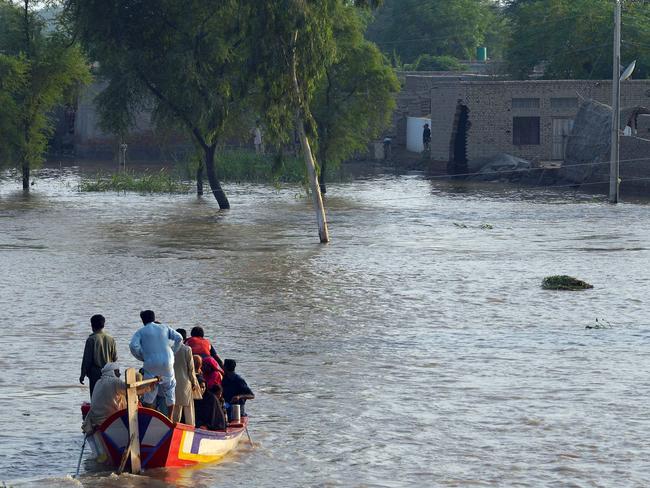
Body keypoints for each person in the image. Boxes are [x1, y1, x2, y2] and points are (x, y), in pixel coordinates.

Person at [129, 310, 183, 416]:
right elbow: (179, 338)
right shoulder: (164, 327)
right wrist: (173, 351)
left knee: (149, 391)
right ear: (154, 318)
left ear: (143, 320)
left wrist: (142, 356)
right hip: (168, 362)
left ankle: (149, 417)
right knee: (170, 388)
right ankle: (170, 418)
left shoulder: (141, 331)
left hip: (151, 364)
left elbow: (133, 346)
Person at [82, 362, 156, 434]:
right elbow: (132, 391)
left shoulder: (98, 382)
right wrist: (149, 387)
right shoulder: (114, 382)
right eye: (117, 372)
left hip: (97, 420)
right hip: (109, 421)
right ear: (112, 372)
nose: (119, 374)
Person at [80, 314, 118, 398]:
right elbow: (114, 358)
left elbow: (87, 360)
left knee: (95, 398)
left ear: (92, 326)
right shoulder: (111, 339)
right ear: (103, 325)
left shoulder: (91, 339)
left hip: (95, 374)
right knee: (108, 398)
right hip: (109, 373)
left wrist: (82, 374)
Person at [172, 328, 199, 425]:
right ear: (184, 338)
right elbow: (191, 369)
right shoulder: (187, 349)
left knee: (176, 407)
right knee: (189, 407)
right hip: (185, 382)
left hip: (173, 382)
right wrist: (194, 382)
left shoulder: (170, 349)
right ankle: (190, 427)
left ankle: (174, 427)